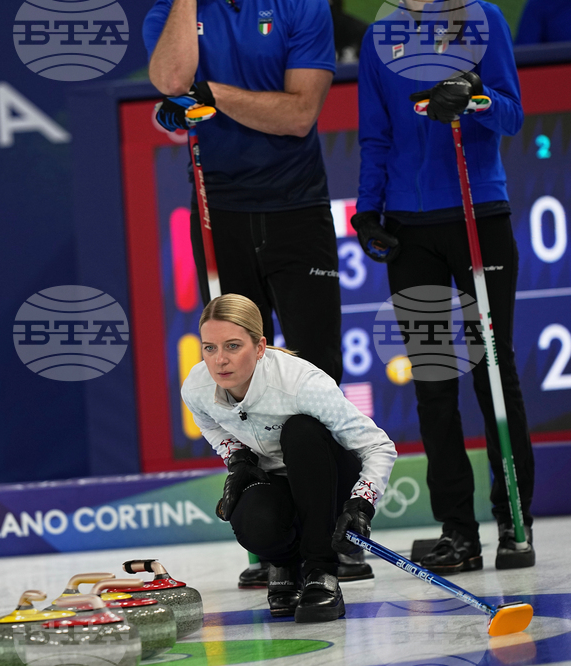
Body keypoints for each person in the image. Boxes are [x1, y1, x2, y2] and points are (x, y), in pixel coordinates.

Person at [144, 0, 373, 585]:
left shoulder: (302, 6)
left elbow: (298, 114)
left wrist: (212, 95)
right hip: (216, 207)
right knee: (238, 378)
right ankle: (276, 545)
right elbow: (170, 80)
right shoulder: (172, 12)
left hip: (296, 206)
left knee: (317, 374)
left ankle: (337, 536)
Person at [353, 0, 535, 572]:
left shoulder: (482, 18)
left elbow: (512, 114)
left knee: (493, 369)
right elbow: (375, 135)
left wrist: (476, 98)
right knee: (432, 380)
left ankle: (514, 520)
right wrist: (369, 209)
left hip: (479, 215)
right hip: (410, 230)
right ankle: (457, 530)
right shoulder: (379, 35)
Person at [182, 294, 397, 622]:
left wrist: (362, 503)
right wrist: (238, 458)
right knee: (254, 522)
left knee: (301, 431)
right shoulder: (196, 388)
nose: (219, 360)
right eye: (209, 348)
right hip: (277, 482)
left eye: (233, 346)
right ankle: (285, 564)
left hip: (329, 480)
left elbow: (379, 446)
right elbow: (212, 426)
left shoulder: (301, 383)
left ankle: (321, 571)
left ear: (260, 347)